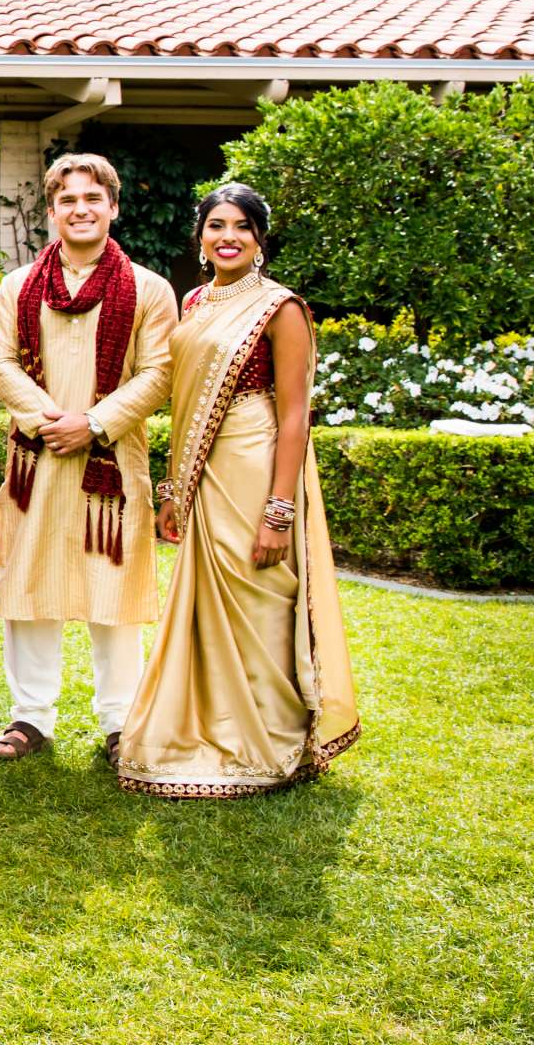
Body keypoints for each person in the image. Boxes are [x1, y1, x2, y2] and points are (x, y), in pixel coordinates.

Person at [117, 184, 360, 798]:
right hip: (204, 470)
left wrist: (279, 509)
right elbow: (183, 401)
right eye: (216, 225)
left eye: (242, 227)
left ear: (260, 239)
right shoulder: (196, 301)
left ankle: (270, 736)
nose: (228, 236)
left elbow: (296, 414)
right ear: (200, 237)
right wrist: (173, 489)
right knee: (205, 603)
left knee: (257, 592)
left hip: (255, 460)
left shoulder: (282, 309)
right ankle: (208, 726)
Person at [0, 154, 177, 764]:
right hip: (35, 463)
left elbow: (159, 373)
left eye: (93, 198)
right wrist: (51, 422)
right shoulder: (17, 286)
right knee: (31, 586)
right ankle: (31, 716)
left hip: (111, 465)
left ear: (113, 207)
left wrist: (92, 424)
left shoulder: (148, 289)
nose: (80, 209)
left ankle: (121, 721)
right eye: (67, 200)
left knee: (113, 592)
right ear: (52, 212)